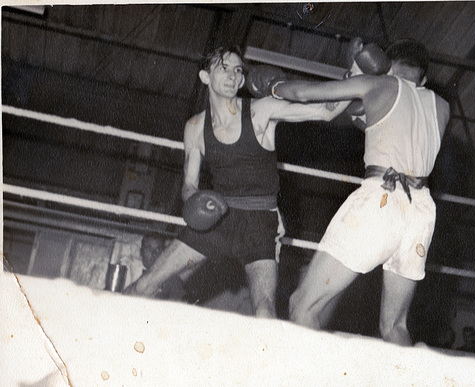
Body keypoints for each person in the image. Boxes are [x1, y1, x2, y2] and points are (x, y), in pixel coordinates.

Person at [125, 45, 349, 319]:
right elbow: (189, 184)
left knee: (264, 309)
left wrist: (355, 80)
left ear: (243, 80)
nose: (232, 76)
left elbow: (326, 112)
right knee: (145, 285)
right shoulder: (195, 127)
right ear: (205, 77)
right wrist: (194, 201)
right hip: (217, 218)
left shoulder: (260, 111)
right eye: (223, 68)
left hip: (259, 223)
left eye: (237, 70)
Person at [275, 39, 450, 346]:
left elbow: (301, 93)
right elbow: (385, 124)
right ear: (424, 77)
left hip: (380, 200)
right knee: (395, 327)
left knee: (302, 305)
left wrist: (274, 86)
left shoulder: (379, 84)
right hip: (420, 211)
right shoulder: (441, 107)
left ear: (388, 65)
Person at [139, 233, 185, 300]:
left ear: (163, 253)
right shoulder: (128, 272)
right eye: (149, 248)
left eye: (158, 249)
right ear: (141, 252)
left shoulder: (172, 280)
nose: (154, 253)